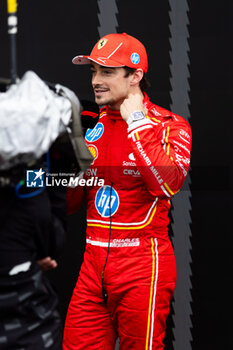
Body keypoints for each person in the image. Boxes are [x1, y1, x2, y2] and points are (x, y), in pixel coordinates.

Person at [63, 32, 192, 350]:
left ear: (135, 75)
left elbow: (167, 184)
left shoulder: (169, 125)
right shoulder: (89, 124)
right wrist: (69, 167)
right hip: (92, 263)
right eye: (93, 71)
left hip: (143, 264)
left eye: (106, 72)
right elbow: (67, 203)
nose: (96, 80)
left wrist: (136, 121)